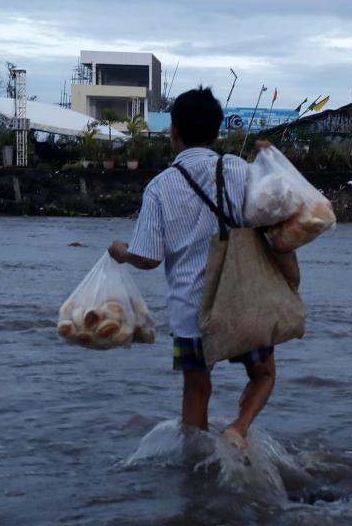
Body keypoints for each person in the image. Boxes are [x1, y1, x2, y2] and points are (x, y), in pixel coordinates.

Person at [107, 86, 275, 446]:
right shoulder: (237, 169)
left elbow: (149, 258)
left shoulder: (160, 186)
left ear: (174, 131)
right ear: (216, 133)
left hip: (190, 311)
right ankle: (238, 428)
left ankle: (194, 469)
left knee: (196, 390)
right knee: (263, 376)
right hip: (242, 302)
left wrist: (123, 251)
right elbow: (268, 213)